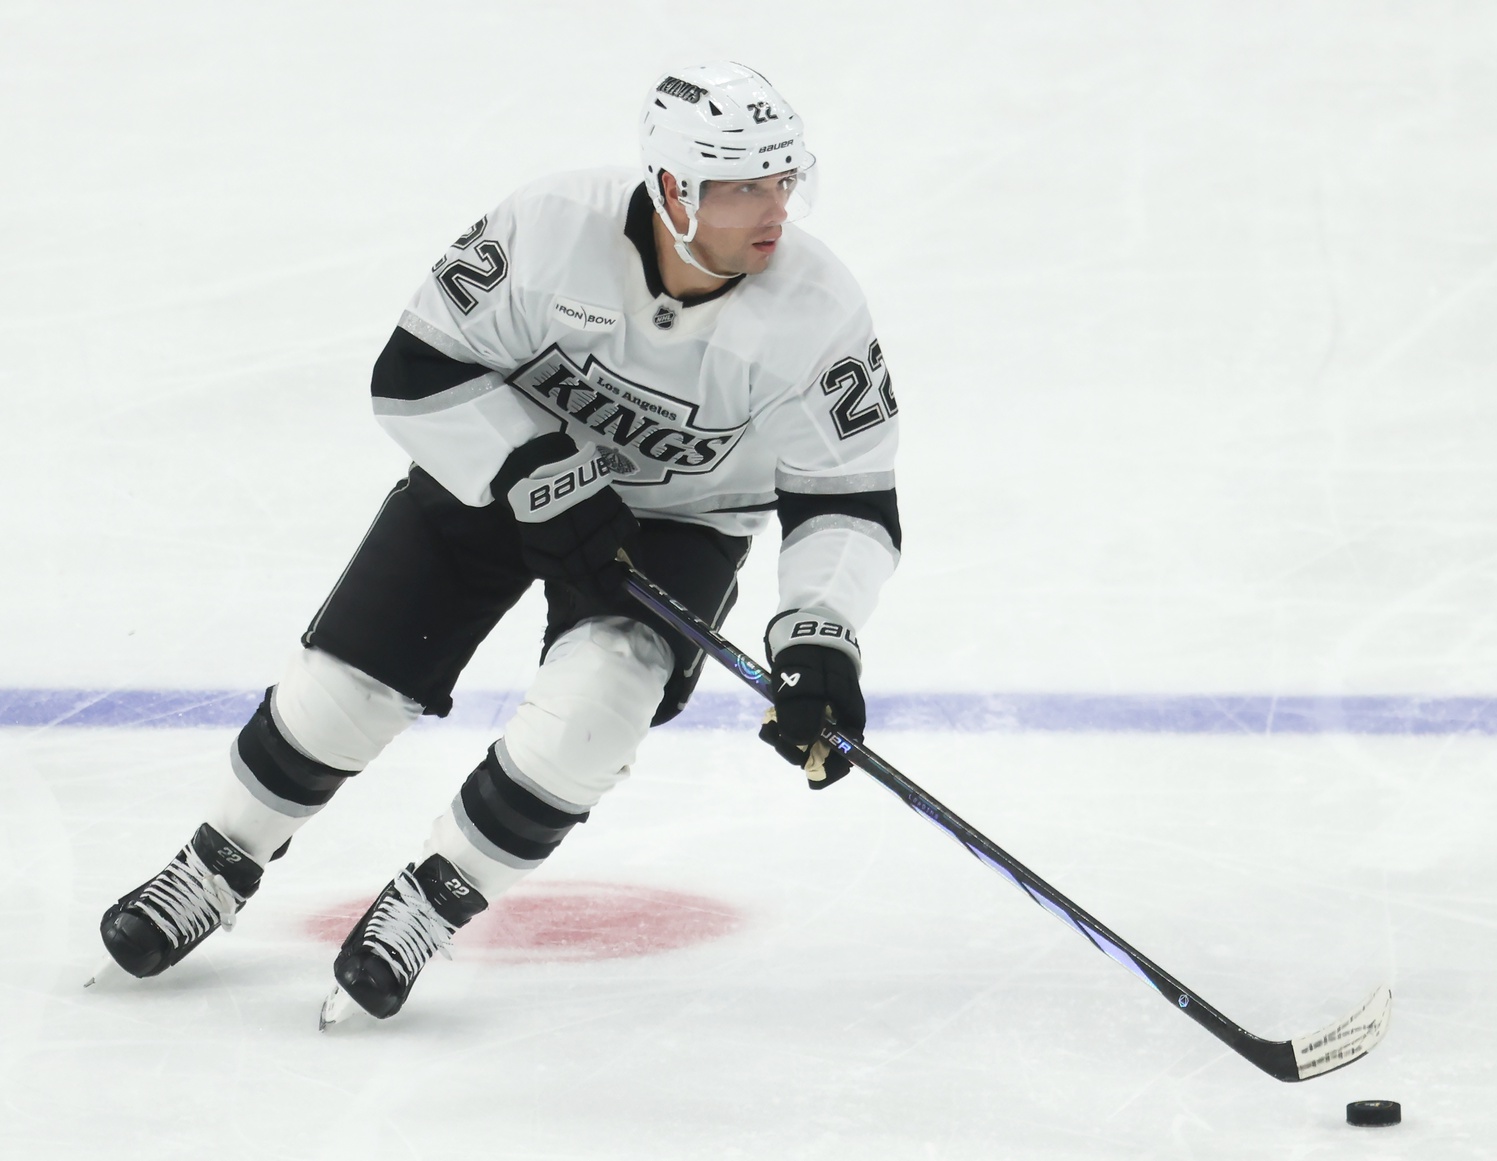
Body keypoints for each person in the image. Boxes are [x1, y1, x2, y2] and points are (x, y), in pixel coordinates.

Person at [95, 61, 900, 1024]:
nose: (775, 210)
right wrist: (528, 469)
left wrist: (818, 637)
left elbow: (848, 497)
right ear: (672, 189)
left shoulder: (819, 311)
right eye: (742, 188)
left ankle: (432, 900)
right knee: (340, 694)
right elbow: (414, 369)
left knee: (594, 716)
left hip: (681, 519)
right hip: (498, 472)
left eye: (784, 179)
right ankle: (216, 861)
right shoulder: (551, 226)